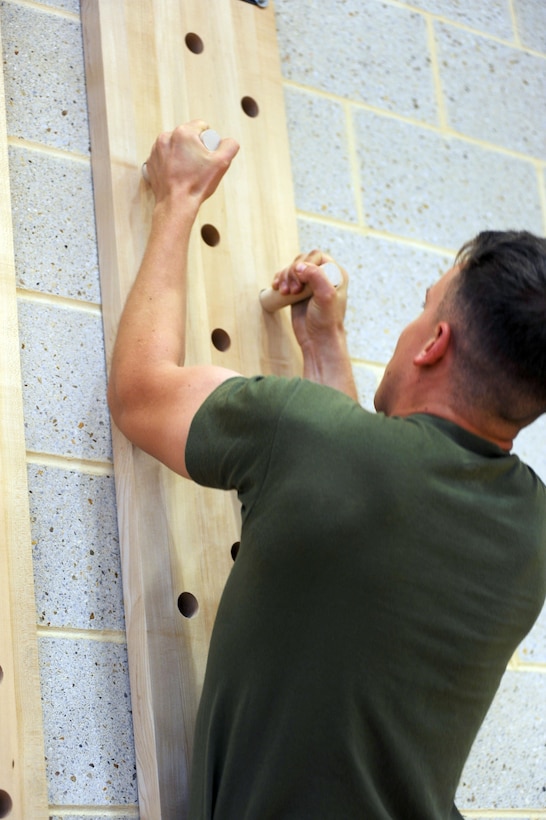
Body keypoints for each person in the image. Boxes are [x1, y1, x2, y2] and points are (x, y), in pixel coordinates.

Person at [108, 120, 546, 819]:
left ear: (434, 343)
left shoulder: (305, 437)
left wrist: (179, 200)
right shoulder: (531, 535)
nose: (409, 327)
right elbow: (371, 508)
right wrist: (324, 345)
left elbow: (140, 393)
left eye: (422, 307)